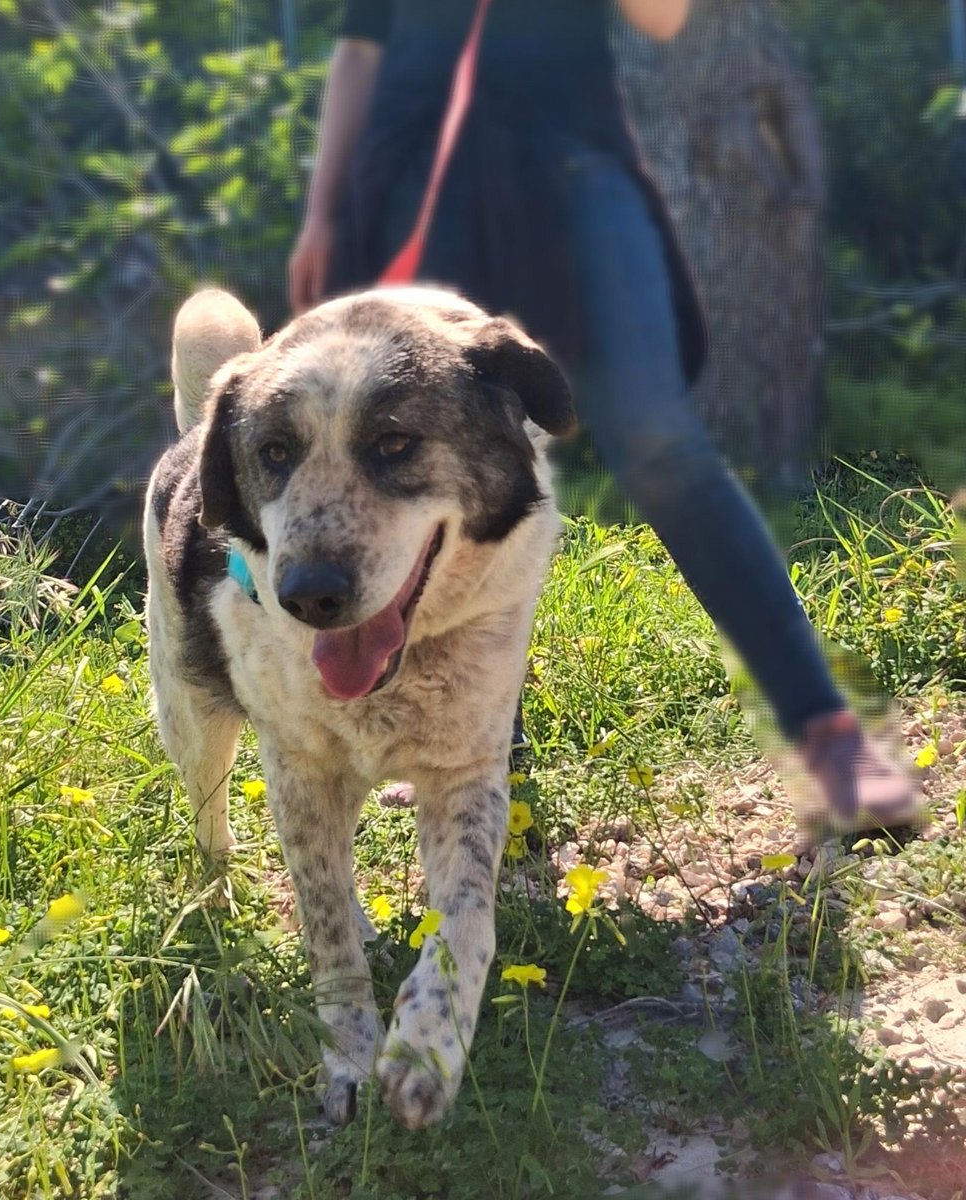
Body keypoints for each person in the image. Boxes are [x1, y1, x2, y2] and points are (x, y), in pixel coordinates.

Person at [287, 0, 919, 834]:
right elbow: (362, 47)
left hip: (575, 166)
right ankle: (478, 745)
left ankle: (825, 728)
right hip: (417, 178)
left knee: (658, 439)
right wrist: (324, 211)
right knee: (440, 464)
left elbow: (662, 19)